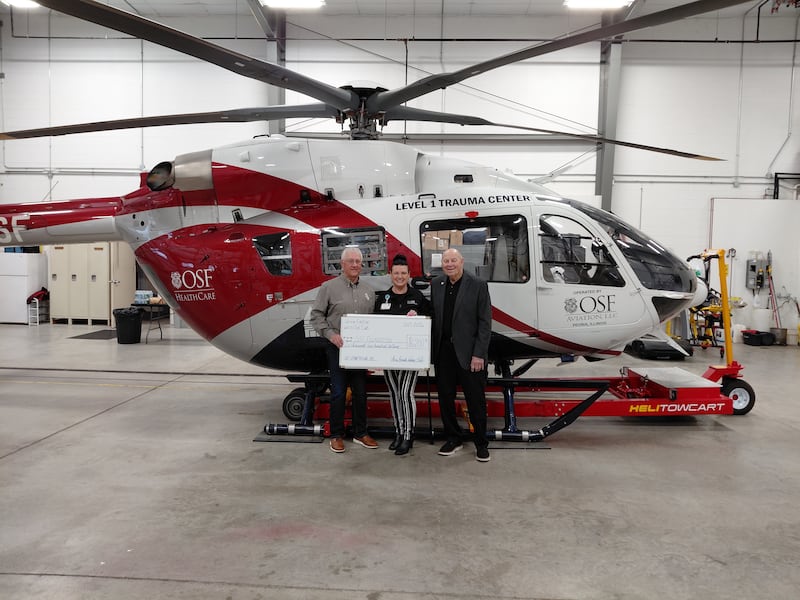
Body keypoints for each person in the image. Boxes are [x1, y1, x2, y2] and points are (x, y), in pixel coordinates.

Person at [309, 246, 378, 453]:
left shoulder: (368, 290)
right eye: (351, 261)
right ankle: (336, 435)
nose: (356, 265)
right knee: (339, 392)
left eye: (358, 261)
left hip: (360, 351)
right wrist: (331, 335)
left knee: (360, 392)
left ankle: (360, 433)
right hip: (337, 348)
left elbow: (372, 321)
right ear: (342, 264)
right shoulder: (328, 288)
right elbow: (316, 316)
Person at [430, 248, 493, 462]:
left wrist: (479, 355)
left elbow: (485, 323)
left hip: (470, 354)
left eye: (453, 260)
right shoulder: (437, 284)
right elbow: (434, 316)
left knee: (475, 400)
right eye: (446, 261)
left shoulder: (477, 285)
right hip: (443, 352)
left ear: (462, 262)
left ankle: (481, 443)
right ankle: (453, 438)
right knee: (445, 398)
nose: (449, 264)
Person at [373, 254, 432, 456]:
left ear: (408, 275)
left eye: (403, 273)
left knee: (406, 393)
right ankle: (398, 432)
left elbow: (429, 320)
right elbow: (376, 327)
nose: (399, 277)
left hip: (410, 356)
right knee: (395, 394)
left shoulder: (417, 297)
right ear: (391, 275)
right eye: (396, 273)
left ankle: (408, 435)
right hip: (389, 356)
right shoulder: (383, 298)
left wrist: (420, 318)